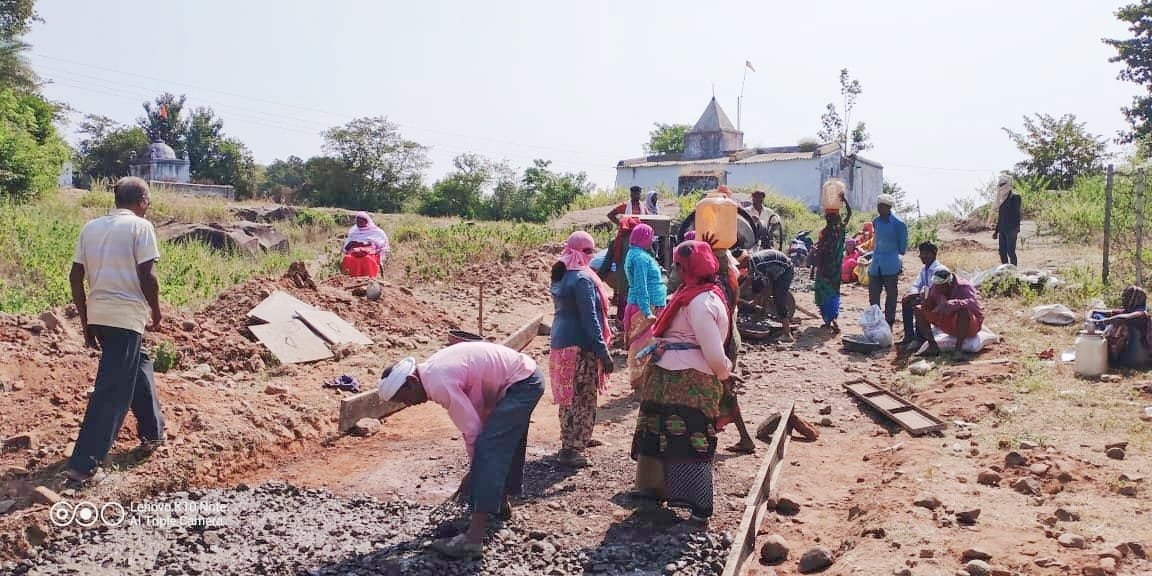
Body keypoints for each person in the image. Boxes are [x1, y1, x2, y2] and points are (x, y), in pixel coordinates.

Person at [377, 342, 543, 559]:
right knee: (504, 438)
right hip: (525, 377)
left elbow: (473, 430)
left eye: (404, 398)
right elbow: (477, 410)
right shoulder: (432, 372)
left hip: (522, 382)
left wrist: (475, 472)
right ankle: (500, 504)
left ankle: (472, 541)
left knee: (488, 448)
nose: (407, 404)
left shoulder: (438, 383)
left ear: (411, 381)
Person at [66, 176, 166, 483]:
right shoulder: (140, 226)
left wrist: (86, 323)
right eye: (148, 201)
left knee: (139, 365)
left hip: (100, 315)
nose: (148, 207)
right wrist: (157, 312)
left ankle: (153, 433)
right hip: (126, 317)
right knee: (112, 390)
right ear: (141, 201)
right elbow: (148, 276)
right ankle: (84, 465)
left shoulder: (91, 227)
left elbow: (75, 276)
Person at [630, 240, 738, 526]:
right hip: (673, 379)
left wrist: (724, 372)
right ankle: (656, 491)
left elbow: (714, 353)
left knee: (690, 442)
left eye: (679, 265)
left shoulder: (701, 302)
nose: (674, 269)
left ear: (691, 267)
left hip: (688, 382)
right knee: (665, 436)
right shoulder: (691, 294)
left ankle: (698, 505)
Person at [549, 231, 615, 468]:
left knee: (568, 395)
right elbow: (590, 320)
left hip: (560, 342)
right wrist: (602, 351)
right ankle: (574, 448)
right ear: (578, 251)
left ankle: (574, 440)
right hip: (580, 345)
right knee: (584, 396)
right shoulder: (583, 280)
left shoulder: (560, 274)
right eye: (589, 251)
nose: (591, 255)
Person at [624, 223, 668, 389]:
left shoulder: (635, 254)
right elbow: (641, 286)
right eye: (650, 236)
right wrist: (647, 311)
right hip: (645, 306)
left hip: (647, 304)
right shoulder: (640, 258)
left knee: (646, 344)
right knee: (642, 345)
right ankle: (639, 384)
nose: (652, 240)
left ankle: (645, 382)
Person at [914, 268, 984, 357]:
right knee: (919, 309)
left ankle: (958, 350)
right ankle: (933, 346)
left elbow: (973, 303)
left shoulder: (964, 286)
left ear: (948, 284)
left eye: (940, 286)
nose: (937, 288)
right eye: (936, 285)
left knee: (963, 311)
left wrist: (953, 304)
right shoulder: (935, 286)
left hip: (969, 325)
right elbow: (931, 304)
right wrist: (926, 303)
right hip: (946, 322)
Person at [812, 187, 852, 332]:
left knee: (823, 293)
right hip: (834, 269)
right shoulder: (840, 230)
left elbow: (820, 252)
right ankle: (831, 320)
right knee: (833, 293)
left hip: (824, 269)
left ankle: (830, 320)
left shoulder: (826, 232)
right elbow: (849, 214)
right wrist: (844, 199)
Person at [736, 248, 796, 341]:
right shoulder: (752, 263)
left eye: (739, 265)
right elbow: (751, 280)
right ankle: (760, 313)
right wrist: (738, 293)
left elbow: (768, 285)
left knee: (779, 298)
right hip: (774, 270)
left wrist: (755, 299)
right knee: (758, 285)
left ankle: (787, 334)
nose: (739, 267)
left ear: (744, 261)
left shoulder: (758, 264)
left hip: (785, 271)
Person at [869, 194, 909, 327]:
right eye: (878, 206)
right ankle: (876, 321)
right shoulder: (876, 221)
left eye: (881, 206)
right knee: (874, 294)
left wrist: (890, 251)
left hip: (891, 264)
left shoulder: (899, 224)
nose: (879, 209)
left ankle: (889, 322)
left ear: (888, 207)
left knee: (891, 295)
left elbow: (902, 248)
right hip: (876, 264)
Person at [899, 242, 946, 351]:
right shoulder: (924, 269)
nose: (923, 257)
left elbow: (933, 290)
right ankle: (909, 335)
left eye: (926, 254)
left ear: (933, 255)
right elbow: (916, 285)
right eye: (921, 254)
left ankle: (919, 338)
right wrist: (911, 294)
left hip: (939, 300)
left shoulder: (939, 269)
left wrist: (914, 295)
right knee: (907, 301)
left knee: (918, 305)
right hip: (927, 297)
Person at [1098, 286, 1152, 368]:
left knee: (1118, 326)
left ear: (1135, 299)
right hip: (1133, 355)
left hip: (1140, 356)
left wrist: (1103, 321)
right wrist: (1092, 314)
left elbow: (1122, 318)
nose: (1123, 300)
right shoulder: (1129, 310)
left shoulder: (1142, 314)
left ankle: (1117, 360)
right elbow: (1104, 312)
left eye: (1126, 297)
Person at [342, 211, 391, 278]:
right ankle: (350, 278)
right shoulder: (353, 231)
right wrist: (353, 243)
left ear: (366, 221)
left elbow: (380, 244)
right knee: (347, 258)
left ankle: (370, 277)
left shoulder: (376, 231)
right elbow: (346, 247)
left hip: (369, 253)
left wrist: (367, 243)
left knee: (367, 259)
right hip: (354, 252)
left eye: (361, 221)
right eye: (358, 221)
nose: (359, 223)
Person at [994, 174, 1022, 266]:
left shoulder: (1015, 197)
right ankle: (1006, 271)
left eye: (1003, 184)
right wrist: (996, 231)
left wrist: (1016, 229)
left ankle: (1013, 271)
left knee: (1010, 251)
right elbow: (1001, 216)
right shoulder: (1001, 200)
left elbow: (1017, 214)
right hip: (1002, 229)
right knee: (1002, 252)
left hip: (1011, 229)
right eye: (1000, 185)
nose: (1001, 187)